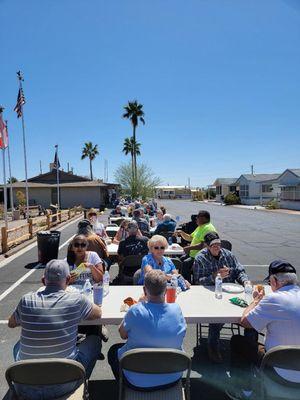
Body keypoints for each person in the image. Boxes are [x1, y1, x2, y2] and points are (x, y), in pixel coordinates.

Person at [8, 260, 102, 400]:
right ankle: (81, 383)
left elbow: (11, 323)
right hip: (64, 384)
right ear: (68, 280)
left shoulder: (26, 300)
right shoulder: (76, 300)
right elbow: (98, 313)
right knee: (95, 340)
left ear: (43, 280)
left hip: (25, 386)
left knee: (18, 346)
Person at [228, 260, 300, 399]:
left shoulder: (274, 298)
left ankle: (244, 390)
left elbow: (245, 322)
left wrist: (256, 301)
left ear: (274, 280)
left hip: (278, 367)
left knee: (238, 341)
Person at [107, 270, 186, 390]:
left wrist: (138, 305)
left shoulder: (135, 310)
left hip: (136, 382)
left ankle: (125, 389)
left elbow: (122, 334)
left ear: (144, 290)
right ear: (165, 290)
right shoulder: (177, 310)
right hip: (172, 377)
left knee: (113, 350)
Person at [193, 232, 249, 363]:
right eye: (213, 245)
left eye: (218, 244)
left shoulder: (228, 255)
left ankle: (249, 347)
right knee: (217, 317)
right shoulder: (200, 258)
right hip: (210, 294)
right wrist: (214, 276)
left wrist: (245, 281)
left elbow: (239, 270)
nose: (217, 247)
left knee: (251, 315)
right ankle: (213, 346)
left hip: (231, 293)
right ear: (207, 246)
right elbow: (198, 281)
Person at [175, 210, 217, 282]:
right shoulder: (200, 227)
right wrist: (181, 233)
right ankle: (181, 281)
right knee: (180, 260)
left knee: (185, 264)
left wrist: (189, 248)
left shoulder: (208, 228)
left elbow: (204, 245)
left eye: (197, 217)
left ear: (204, 218)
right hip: (193, 254)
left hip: (202, 256)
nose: (196, 219)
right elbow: (190, 238)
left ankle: (187, 283)